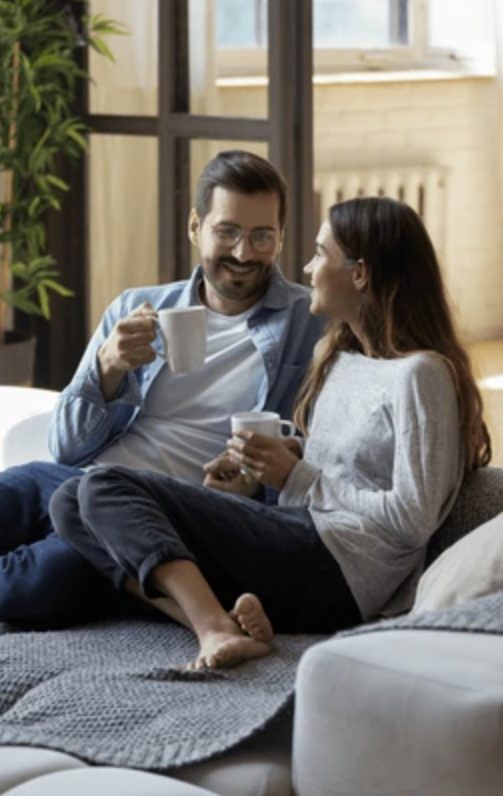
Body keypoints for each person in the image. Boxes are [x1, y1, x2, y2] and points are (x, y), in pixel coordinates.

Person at [49, 196, 491, 670]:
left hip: (345, 570)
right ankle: (217, 622)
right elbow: (345, 466)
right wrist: (263, 467)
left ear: (360, 273)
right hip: (300, 540)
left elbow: (412, 518)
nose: (306, 266)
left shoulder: (421, 374)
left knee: (104, 485)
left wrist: (297, 476)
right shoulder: (340, 357)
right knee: (69, 503)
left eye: (321, 253)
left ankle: (213, 628)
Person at [0, 150, 323, 628]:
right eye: (227, 232)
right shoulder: (138, 307)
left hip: (146, 517)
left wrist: (249, 489)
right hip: (68, 482)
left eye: (262, 236)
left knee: (36, 586)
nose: (243, 253)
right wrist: (107, 369)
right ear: (196, 227)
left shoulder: (311, 323)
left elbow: (323, 454)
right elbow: (65, 447)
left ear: (281, 237)